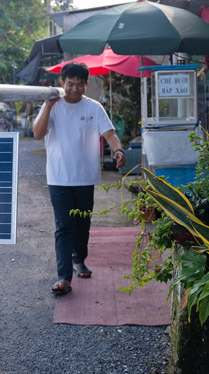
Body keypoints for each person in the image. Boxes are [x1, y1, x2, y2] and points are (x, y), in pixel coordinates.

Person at [32, 62, 125, 296]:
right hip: (58, 177)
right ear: (62, 83)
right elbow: (37, 134)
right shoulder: (53, 105)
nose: (74, 89)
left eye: (79, 84)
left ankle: (79, 259)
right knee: (64, 227)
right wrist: (47, 105)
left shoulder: (93, 108)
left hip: (85, 177)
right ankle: (64, 277)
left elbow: (110, 134)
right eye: (69, 84)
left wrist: (119, 151)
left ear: (86, 84)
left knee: (82, 224)